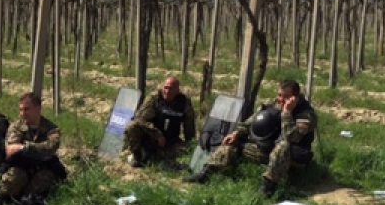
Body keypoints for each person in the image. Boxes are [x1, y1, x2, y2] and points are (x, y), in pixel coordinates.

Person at [187, 80, 317, 197]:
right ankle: (208, 172)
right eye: (279, 95)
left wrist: (287, 113)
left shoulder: (306, 115)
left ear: (295, 97)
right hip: (267, 149)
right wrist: (237, 133)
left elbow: (292, 137)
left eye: (285, 97)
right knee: (234, 141)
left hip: (291, 157)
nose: (280, 100)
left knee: (284, 145)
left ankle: (268, 187)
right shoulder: (276, 104)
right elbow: (252, 121)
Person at [0, 92, 67, 205]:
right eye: (21, 110)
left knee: (44, 179)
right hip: (21, 166)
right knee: (14, 176)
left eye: (27, 109)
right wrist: (36, 150)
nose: (22, 113)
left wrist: (25, 147)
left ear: (38, 109)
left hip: (42, 167)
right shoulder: (16, 126)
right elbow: (12, 149)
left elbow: (51, 147)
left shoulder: (52, 129)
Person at [124, 76, 196, 167]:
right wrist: (157, 134)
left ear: (177, 91)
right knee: (132, 126)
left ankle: (155, 156)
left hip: (171, 140)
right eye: (166, 88)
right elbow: (140, 119)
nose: (167, 91)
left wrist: (191, 144)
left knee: (186, 151)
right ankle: (137, 156)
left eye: (171, 89)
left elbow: (189, 126)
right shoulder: (155, 98)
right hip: (151, 136)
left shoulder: (184, 102)